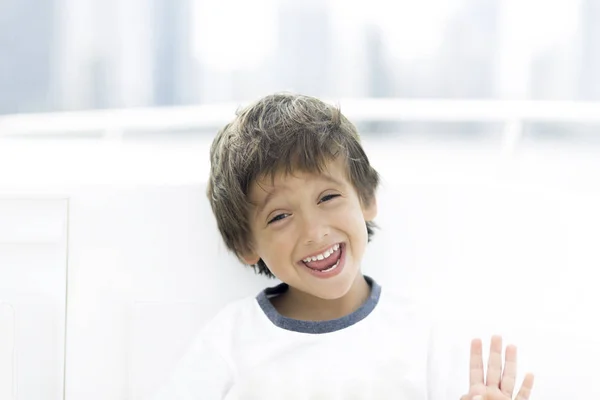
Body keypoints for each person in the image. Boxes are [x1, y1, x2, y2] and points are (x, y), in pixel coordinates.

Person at [151, 93, 534, 399]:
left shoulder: (423, 336)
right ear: (246, 244)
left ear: (366, 198)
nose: (314, 232)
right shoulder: (230, 340)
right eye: (280, 216)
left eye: (328, 197)